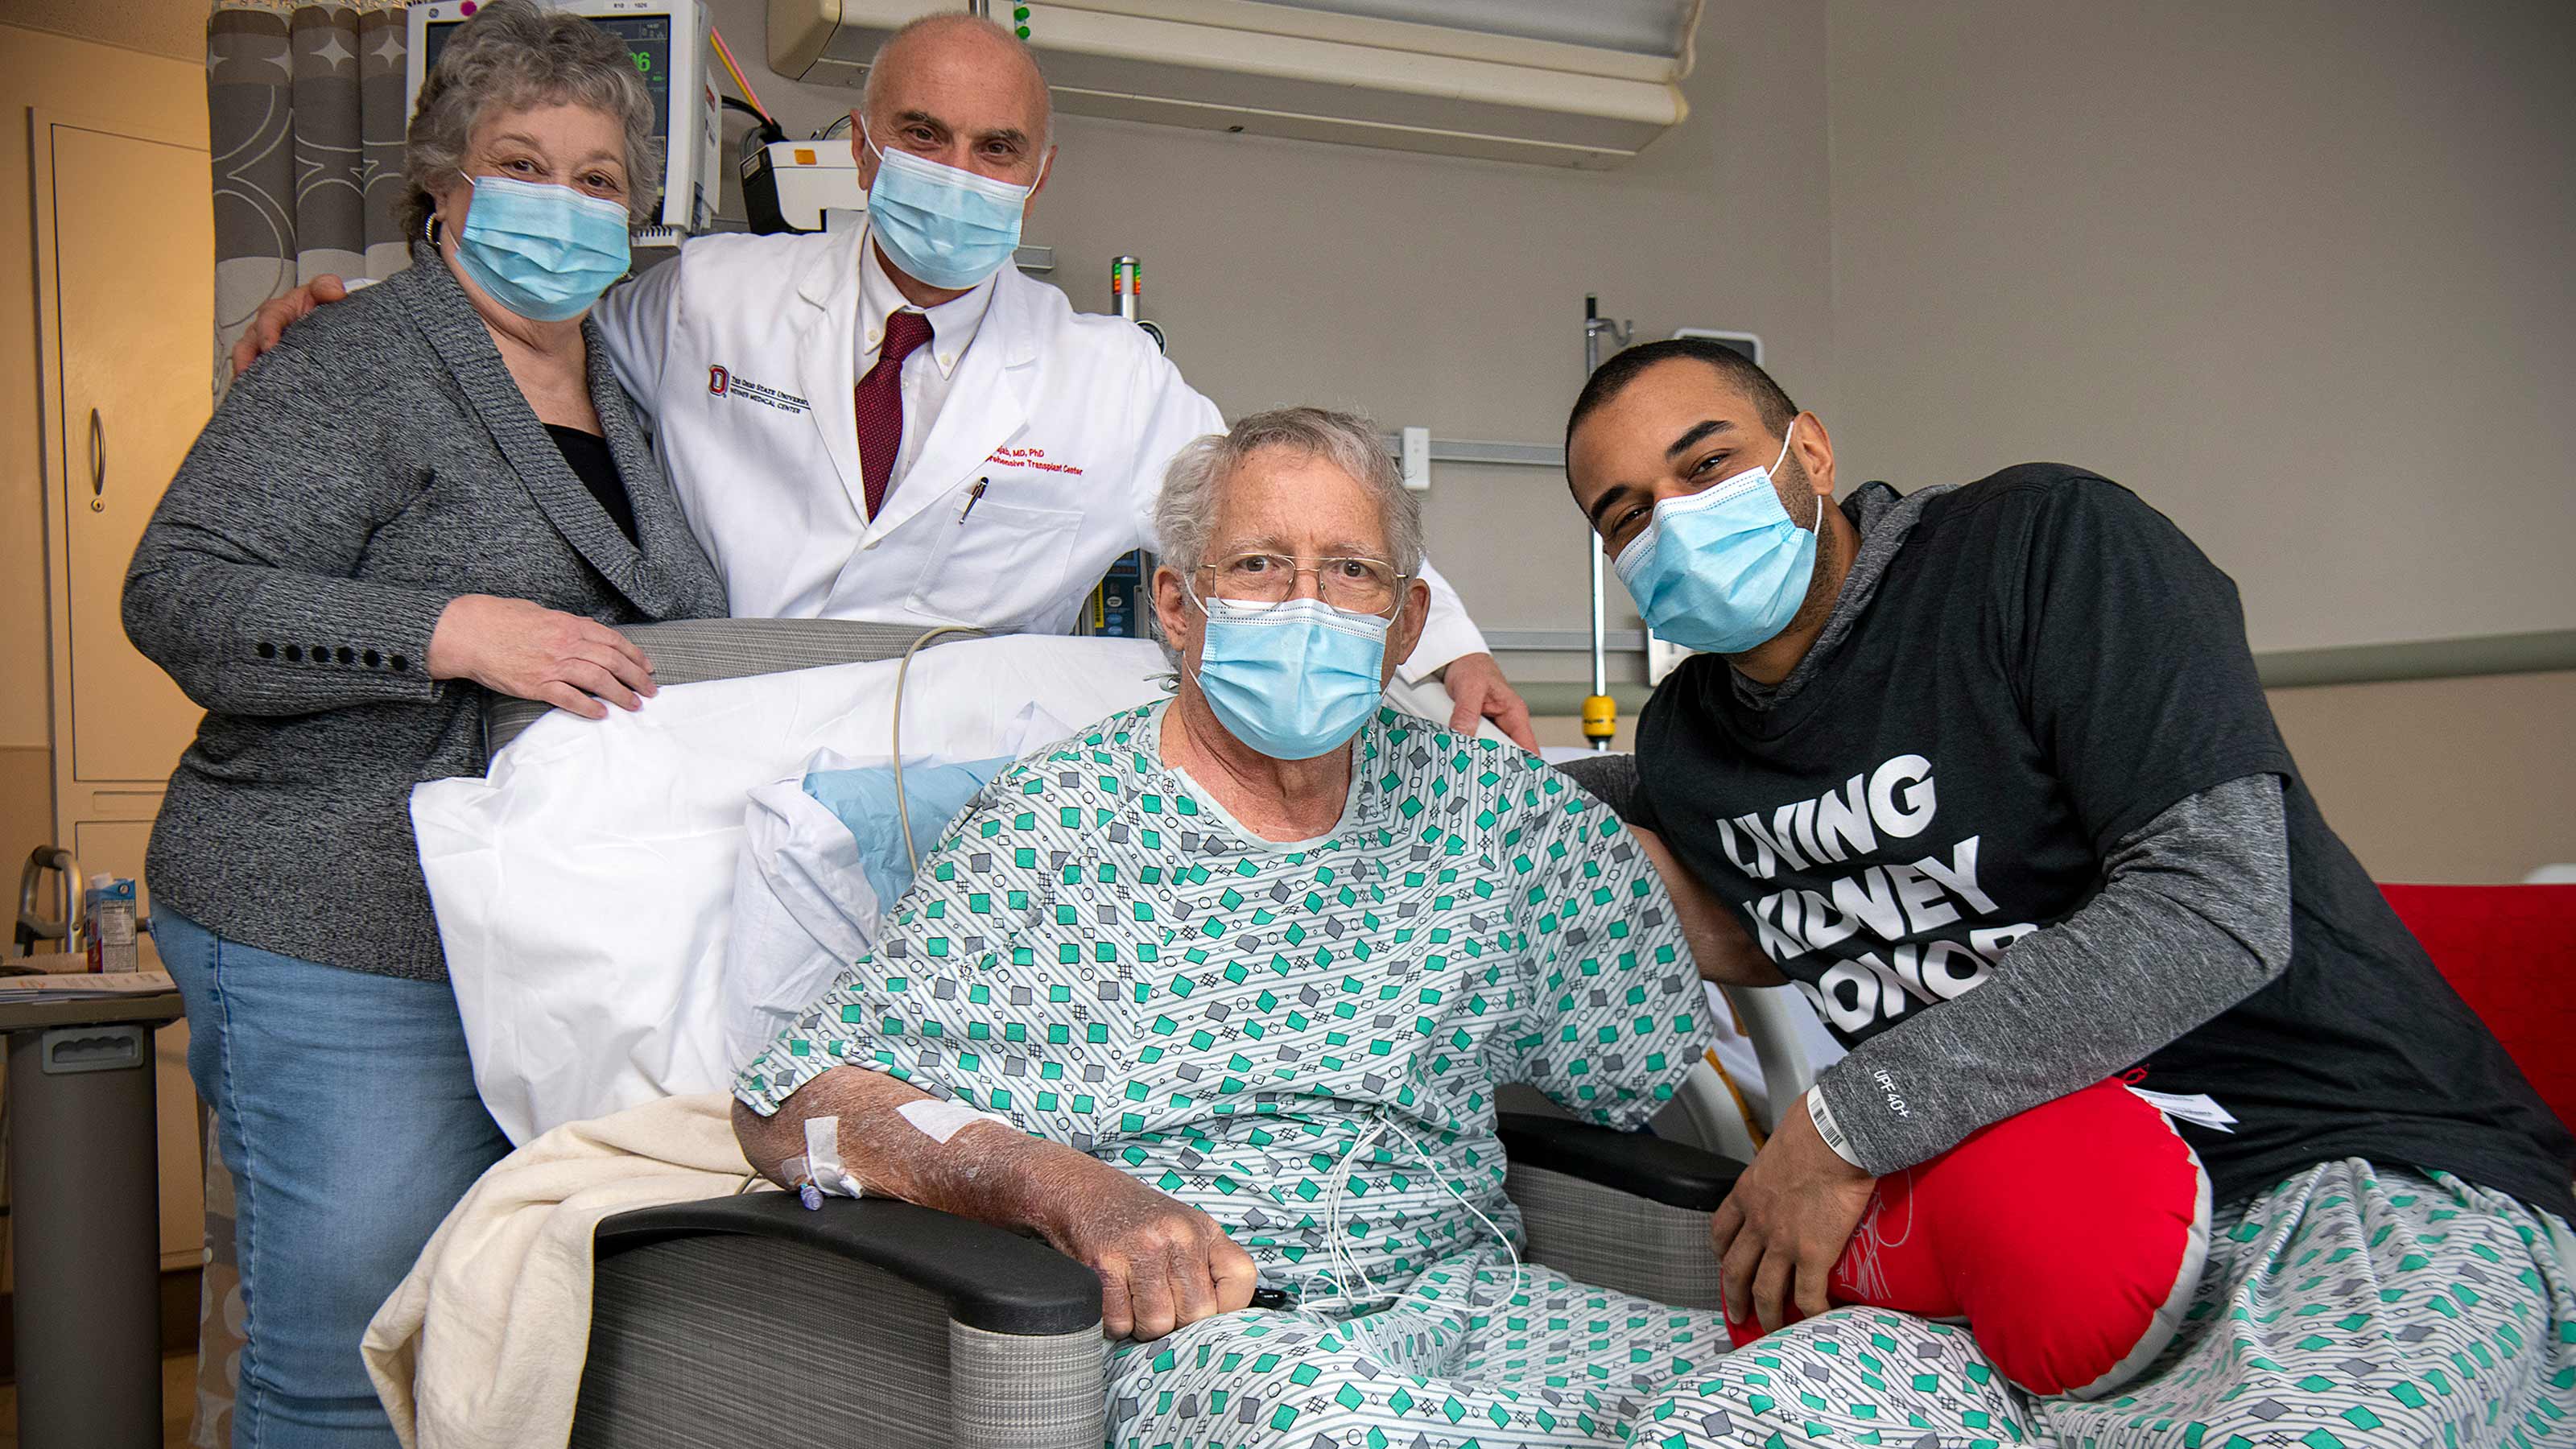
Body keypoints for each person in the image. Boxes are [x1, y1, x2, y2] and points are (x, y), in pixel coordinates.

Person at [1561, 337, 2576, 1447]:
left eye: (1705, 467)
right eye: (1627, 516)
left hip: (2324, 1163)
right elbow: (1628, 829)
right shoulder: (1693, 745)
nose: (1676, 523)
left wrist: (1846, 1125)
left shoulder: (2042, 551)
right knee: (1725, 1425)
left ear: (1810, 447)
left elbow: (2211, 906)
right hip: (2011, 1222)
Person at [728, 408, 1779, 1446]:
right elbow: (796, 1105)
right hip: (1224, 1344)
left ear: (1407, 626)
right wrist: (1070, 1190)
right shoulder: (1061, 824)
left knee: (1860, 1368)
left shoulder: (1486, 808)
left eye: (1350, 573)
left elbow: (1692, 980)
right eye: (1262, 567)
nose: (1308, 605)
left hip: (1477, 1311)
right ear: (1180, 608)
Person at [233, 15, 1538, 749]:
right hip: (709, 735)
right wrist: (365, 308)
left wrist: (1460, 652)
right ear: (860, 147)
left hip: (953, 774)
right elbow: (525, 328)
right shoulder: (708, 296)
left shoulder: (1107, 377)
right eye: (922, 136)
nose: (957, 171)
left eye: (995, 147)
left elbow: (1282, 505)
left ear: (1040, 173)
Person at [122, 4, 727, 1443]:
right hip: (336, 917)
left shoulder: (624, 394)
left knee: (484, 1339)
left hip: (525, 936)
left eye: (597, 179)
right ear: (446, 186)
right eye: (523, 161)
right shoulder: (358, 360)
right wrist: (454, 630)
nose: (563, 203)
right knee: (345, 1355)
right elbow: (179, 595)